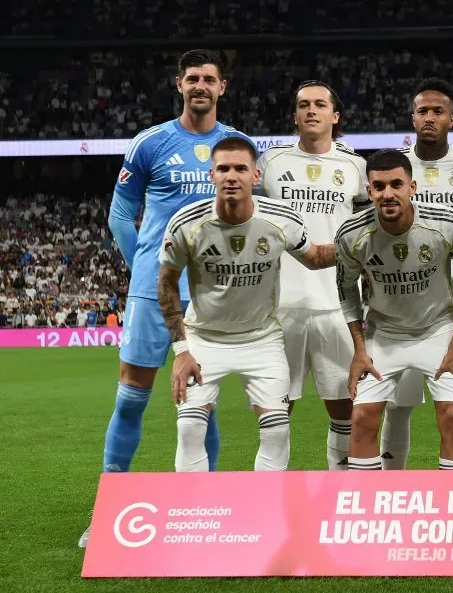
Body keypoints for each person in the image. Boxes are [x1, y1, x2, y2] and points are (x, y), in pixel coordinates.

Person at [80, 49, 253, 548]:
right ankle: (107, 509)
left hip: (213, 296)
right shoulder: (150, 143)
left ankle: (205, 512)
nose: (201, 86)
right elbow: (119, 216)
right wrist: (149, 277)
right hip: (152, 295)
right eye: (192, 78)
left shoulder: (234, 145)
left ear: (223, 88)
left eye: (210, 79)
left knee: (205, 402)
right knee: (131, 396)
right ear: (179, 84)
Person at [158, 137, 337, 472]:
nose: (231, 176)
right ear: (211, 174)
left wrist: (359, 246)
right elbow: (166, 283)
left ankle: (264, 512)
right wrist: (182, 350)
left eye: (240, 168)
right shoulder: (187, 223)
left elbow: (314, 257)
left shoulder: (281, 219)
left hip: (262, 340)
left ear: (256, 176)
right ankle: (193, 516)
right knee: (189, 428)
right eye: (223, 168)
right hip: (203, 341)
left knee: (276, 431)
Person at [336, 149, 453, 472]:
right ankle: (371, 512)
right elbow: (346, 289)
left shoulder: (448, 223)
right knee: (361, 417)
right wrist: (360, 350)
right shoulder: (351, 234)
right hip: (383, 332)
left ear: (412, 187)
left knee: (452, 415)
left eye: (396, 185)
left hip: (439, 330)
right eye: (379, 186)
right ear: (368, 191)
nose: (387, 194)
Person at [380, 78, 453, 470]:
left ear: (452, 119)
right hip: (398, 302)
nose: (430, 117)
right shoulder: (393, 164)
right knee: (397, 406)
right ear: (412, 117)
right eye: (423, 111)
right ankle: (390, 492)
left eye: (438, 111)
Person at [257, 80, 368, 470]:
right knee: (275, 412)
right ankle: (270, 501)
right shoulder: (270, 163)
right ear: (294, 114)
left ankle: (339, 498)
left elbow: (365, 230)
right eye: (303, 104)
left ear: (335, 116)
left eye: (320, 104)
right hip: (279, 304)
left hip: (335, 304)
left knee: (343, 408)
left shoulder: (355, 166)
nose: (311, 110)